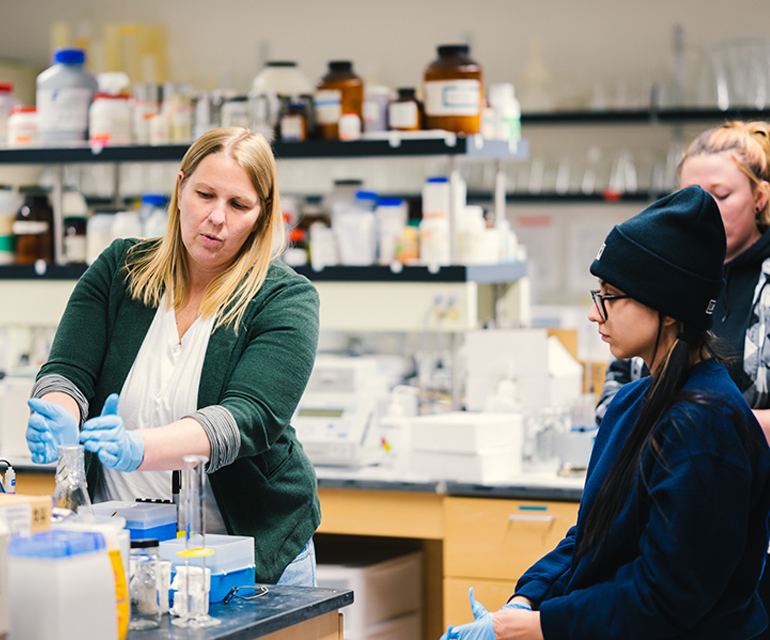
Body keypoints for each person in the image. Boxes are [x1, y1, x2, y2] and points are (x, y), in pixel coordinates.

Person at [441, 186, 770, 640]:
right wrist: (527, 598)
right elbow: (590, 537)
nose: (596, 314)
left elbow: (665, 598)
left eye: (611, 296)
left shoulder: (706, 426)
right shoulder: (634, 403)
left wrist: (541, 627)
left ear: (667, 306)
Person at [25, 126, 321, 586]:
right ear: (180, 188)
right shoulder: (120, 270)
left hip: (245, 557)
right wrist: (59, 415)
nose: (216, 217)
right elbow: (68, 372)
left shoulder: (284, 299)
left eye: (238, 205)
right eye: (205, 194)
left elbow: (248, 418)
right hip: (124, 548)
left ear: (262, 217)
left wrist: (138, 448)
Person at [595, 121, 770, 430]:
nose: (705, 211)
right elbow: (617, 385)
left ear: (760, 197)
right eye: (691, 196)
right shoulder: (659, 269)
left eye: (722, 195)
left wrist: (703, 425)